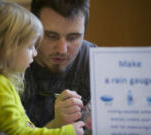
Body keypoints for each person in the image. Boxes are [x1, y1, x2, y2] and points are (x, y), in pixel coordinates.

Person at [0, 0, 85, 135]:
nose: (35, 52)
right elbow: (19, 133)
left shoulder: (2, 83)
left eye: (73, 37)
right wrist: (67, 132)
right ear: (7, 48)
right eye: (30, 46)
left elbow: (27, 128)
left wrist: (57, 124)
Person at [21, 0, 97, 129]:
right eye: (51, 36)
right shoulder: (9, 61)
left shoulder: (96, 62)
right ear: (33, 28)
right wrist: (57, 125)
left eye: (73, 37)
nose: (62, 50)